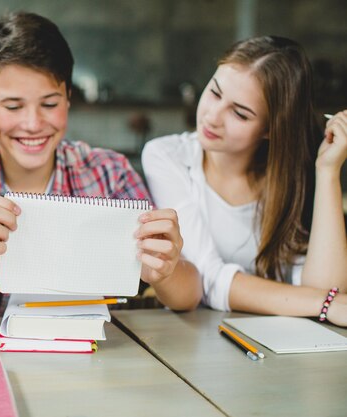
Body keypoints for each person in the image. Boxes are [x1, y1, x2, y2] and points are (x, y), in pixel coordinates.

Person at [0, 12, 202, 324]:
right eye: (13, 106)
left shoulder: (109, 173)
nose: (32, 124)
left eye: (49, 104)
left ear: (68, 98)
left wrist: (164, 269)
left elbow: (188, 295)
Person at [141, 36, 347, 326]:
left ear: (270, 129)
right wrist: (324, 303)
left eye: (239, 113)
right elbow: (206, 279)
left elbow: (330, 291)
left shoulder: (291, 175)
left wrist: (328, 171)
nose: (213, 117)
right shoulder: (167, 156)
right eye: (214, 92)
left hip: (280, 339)